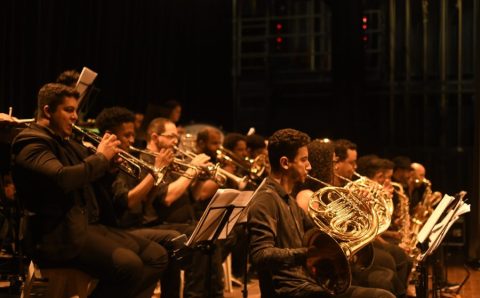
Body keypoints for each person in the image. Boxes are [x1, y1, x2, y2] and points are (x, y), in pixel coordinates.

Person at [11, 83, 167, 298]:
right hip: (55, 235)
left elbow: (90, 179)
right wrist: (101, 157)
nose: (75, 116)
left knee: (156, 255)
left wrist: (110, 168)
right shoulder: (31, 142)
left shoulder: (68, 142)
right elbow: (63, 179)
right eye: (68, 110)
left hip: (85, 225)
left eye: (76, 110)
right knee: (129, 266)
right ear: (47, 111)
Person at [247, 128, 395, 298]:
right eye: (303, 160)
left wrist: (361, 207)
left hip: (308, 282)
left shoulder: (288, 199)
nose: (309, 166)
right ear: (285, 163)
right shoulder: (265, 200)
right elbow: (260, 255)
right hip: (290, 290)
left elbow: (325, 235)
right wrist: (310, 253)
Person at [295, 140, 403, 297]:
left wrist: (364, 207)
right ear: (323, 164)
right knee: (385, 279)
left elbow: (351, 230)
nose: (335, 167)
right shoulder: (307, 196)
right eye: (332, 162)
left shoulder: (326, 191)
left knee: (388, 267)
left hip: (343, 261)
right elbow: (323, 236)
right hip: (324, 269)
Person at [95, 107, 183, 298]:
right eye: (127, 135)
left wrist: (160, 175)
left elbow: (143, 200)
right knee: (171, 241)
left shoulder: (126, 159)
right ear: (110, 135)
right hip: (119, 228)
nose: (132, 140)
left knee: (174, 240)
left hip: (134, 224)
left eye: (133, 134)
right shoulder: (110, 161)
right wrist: (156, 172)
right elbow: (126, 201)